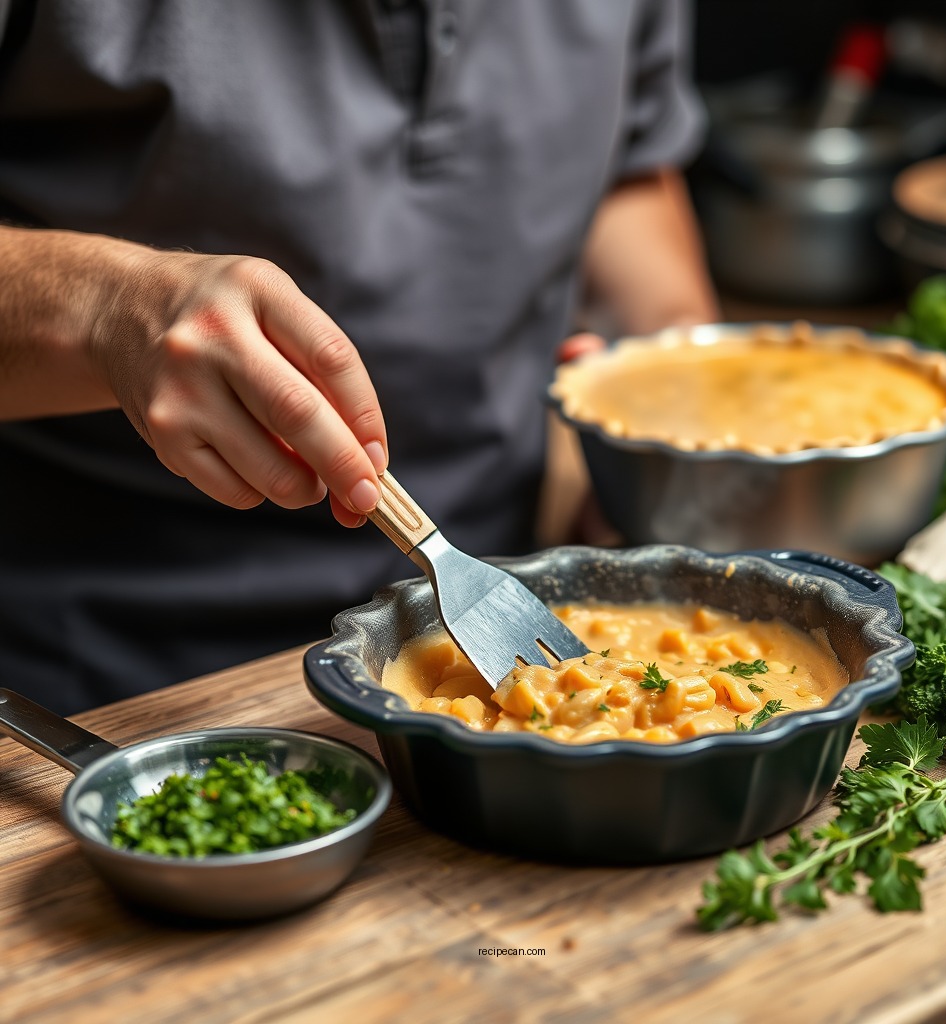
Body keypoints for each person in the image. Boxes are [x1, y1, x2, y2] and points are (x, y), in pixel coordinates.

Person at [0, 0, 718, 715]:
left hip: (505, 597)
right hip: (106, 678)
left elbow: (624, 166)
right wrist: (102, 310)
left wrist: (653, 448)